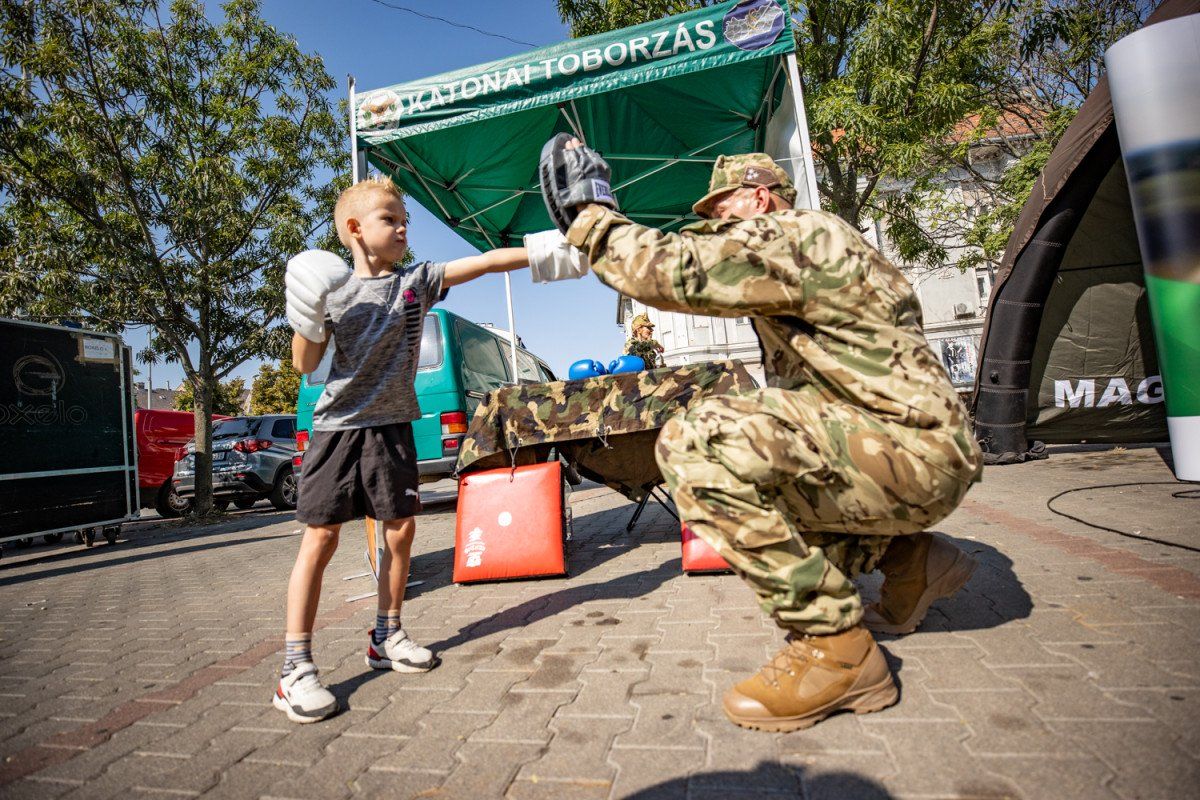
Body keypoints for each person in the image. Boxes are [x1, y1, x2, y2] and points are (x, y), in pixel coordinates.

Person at [557, 145, 983, 732]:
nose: (716, 228)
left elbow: (676, 269)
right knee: (774, 484)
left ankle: (835, 651)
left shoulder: (798, 234)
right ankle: (912, 560)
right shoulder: (823, 249)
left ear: (759, 198)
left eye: (723, 213)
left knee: (699, 445)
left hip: (907, 452)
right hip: (908, 449)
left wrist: (591, 218)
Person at [276, 177, 533, 723]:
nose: (402, 228)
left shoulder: (415, 283)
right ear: (354, 229)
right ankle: (295, 667)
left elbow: (485, 263)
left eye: (404, 220)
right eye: (390, 219)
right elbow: (304, 364)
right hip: (338, 430)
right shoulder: (333, 290)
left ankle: (386, 635)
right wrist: (307, 312)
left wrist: (547, 251)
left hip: (393, 427)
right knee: (320, 538)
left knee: (400, 530)